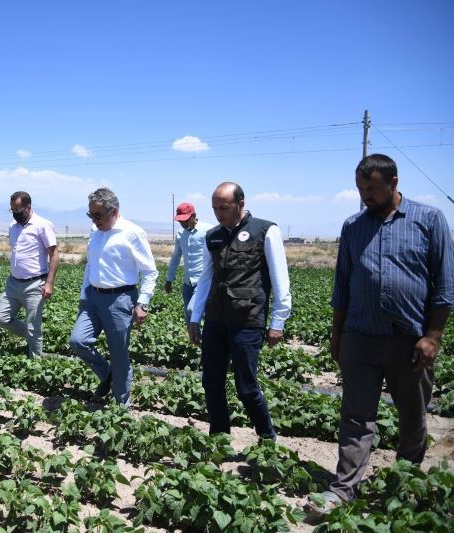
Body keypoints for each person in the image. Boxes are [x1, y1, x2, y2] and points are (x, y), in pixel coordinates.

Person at [305, 154, 454, 518]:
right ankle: (343, 489)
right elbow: (342, 287)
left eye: (370, 188)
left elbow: (445, 285)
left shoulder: (429, 219)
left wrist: (432, 336)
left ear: (394, 182)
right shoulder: (353, 226)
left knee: (413, 416)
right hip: (360, 336)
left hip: (410, 340)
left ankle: (403, 483)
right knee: (355, 415)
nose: (364, 195)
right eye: (360, 189)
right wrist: (337, 337)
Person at [188, 182, 291, 439]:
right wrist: (195, 316)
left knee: (246, 387)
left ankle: (267, 437)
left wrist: (278, 321)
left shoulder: (265, 230)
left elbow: (281, 280)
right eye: (214, 208)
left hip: (247, 320)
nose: (218, 213)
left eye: (224, 207)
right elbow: (205, 279)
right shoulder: (213, 236)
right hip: (215, 320)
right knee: (211, 383)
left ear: (241, 203)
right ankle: (219, 437)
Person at [69, 187, 158, 407]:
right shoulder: (95, 231)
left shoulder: (132, 232)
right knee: (77, 341)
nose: (94, 220)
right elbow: (90, 265)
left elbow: (150, 271)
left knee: (119, 355)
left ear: (114, 211)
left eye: (98, 215)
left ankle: (121, 407)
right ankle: (106, 374)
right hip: (93, 296)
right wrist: (83, 295)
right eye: (91, 215)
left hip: (120, 299)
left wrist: (142, 303)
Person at [0, 191, 59, 357]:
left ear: (28, 207)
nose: (15, 214)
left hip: (35, 283)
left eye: (18, 211)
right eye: (12, 211)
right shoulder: (13, 227)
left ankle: (35, 365)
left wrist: (49, 283)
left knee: (33, 326)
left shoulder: (42, 224)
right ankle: (33, 337)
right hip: (13, 283)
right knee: (1, 317)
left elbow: (54, 255)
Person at [165, 202, 214, 325]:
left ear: (194, 215)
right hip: (188, 282)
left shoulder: (208, 230)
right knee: (188, 315)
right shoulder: (181, 234)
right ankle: (196, 341)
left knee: (191, 309)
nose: (183, 223)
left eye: (185, 220)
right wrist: (169, 279)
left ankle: (209, 333)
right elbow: (176, 257)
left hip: (203, 281)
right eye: (180, 221)